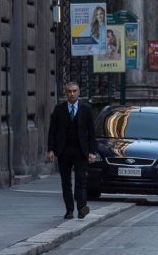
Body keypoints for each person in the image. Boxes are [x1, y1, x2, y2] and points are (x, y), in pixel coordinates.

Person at [47, 82, 97, 220]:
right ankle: (69, 210)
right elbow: (52, 131)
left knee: (81, 180)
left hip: (81, 151)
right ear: (66, 93)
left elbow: (92, 133)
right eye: (69, 91)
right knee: (66, 182)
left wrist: (92, 151)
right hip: (63, 151)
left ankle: (82, 207)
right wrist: (51, 149)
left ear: (79, 92)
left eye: (74, 91)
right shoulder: (59, 109)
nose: (72, 94)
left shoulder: (86, 109)